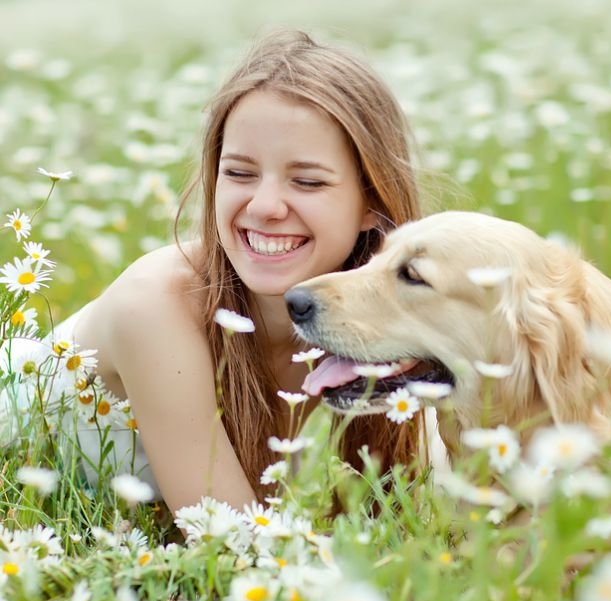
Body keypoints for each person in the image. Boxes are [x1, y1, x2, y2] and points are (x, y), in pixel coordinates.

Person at [17, 29, 424, 514]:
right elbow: (231, 545)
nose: (265, 205)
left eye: (308, 181)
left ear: (372, 203)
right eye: (239, 173)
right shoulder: (154, 306)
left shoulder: (390, 318)